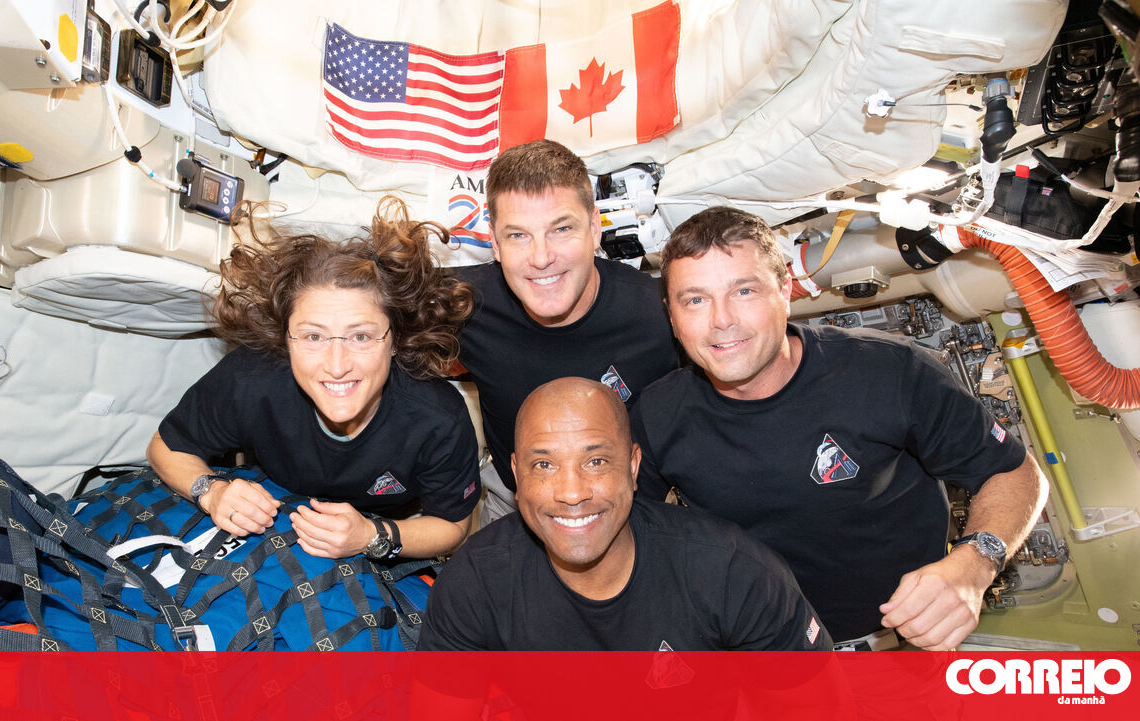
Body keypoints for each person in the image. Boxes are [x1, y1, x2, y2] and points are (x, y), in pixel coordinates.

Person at [630, 206, 1049, 650]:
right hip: (759, 651)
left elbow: (1013, 472)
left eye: (744, 291)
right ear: (672, 316)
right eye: (695, 300)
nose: (721, 319)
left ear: (785, 291)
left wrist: (975, 564)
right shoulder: (656, 415)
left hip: (899, 640)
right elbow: (626, 532)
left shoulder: (888, 371)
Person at [147, 197, 481, 560]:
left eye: (361, 336)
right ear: (285, 339)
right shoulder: (250, 378)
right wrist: (211, 492)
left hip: (384, 528)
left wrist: (370, 536)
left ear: (395, 340)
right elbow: (166, 446)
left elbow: (453, 526)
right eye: (313, 337)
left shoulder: (438, 418)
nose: (336, 366)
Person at [418, 377, 831, 651]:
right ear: (516, 475)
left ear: (633, 468)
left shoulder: (732, 571)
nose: (572, 493)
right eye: (544, 465)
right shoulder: (474, 583)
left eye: (596, 462)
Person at [452, 140, 679, 522]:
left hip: (634, 508)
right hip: (514, 505)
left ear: (594, 228)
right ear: (494, 243)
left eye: (561, 228)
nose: (541, 257)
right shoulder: (463, 304)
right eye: (518, 235)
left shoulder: (658, 313)